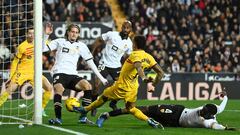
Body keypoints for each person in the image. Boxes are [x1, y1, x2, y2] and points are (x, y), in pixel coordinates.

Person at [74, 35, 165, 128]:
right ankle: (149, 120)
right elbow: (161, 73)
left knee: (103, 98)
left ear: (135, 44)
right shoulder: (149, 57)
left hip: (121, 86)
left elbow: (138, 66)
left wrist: (144, 78)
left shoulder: (135, 55)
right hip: (133, 89)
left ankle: (85, 109)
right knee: (131, 109)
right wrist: (153, 85)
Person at [43, 23, 108, 125]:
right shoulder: (60, 42)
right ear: (68, 32)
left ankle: (83, 118)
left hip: (72, 74)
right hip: (59, 72)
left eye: (76, 32)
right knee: (59, 89)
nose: (74, 34)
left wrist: (101, 78)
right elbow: (43, 49)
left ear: (78, 34)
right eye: (72, 32)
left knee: (87, 86)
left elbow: (91, 63)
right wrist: (46, 35)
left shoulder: (81, 46)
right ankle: (58, 119)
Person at [97, 91, 237, 130]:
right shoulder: (214, 109)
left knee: (145, 116)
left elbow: (214, 126)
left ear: (207, 116)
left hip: (173, 122)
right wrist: (225, 96)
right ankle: (106, 115)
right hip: (176, 111)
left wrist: (224, 129)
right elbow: (222, 106)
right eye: (203, 109)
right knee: (142, 109)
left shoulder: (206, 122)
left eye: (203, 112)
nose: (201, 111)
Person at [0, 27, 52, 117]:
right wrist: (11, 75)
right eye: (30, 33)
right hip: (22, 72)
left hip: (34, 72)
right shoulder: (22, 46)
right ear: (26, 34)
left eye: (33, 33)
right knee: (10, 90)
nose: (31, 35)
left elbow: (49, 43)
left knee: (49, 88)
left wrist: (48, 34)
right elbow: (15, 61)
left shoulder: (39, 43)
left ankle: (41, 109)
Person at [91, 20, 133, 116]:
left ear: (130, 29)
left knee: (122, 87)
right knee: (96, 85)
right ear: (121, 27)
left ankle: (113, 103)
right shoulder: (112, 34)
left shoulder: (129, 44)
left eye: (128, 28)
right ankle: (93, 106)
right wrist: (92, 52)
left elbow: (128, 57)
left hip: (116, 67)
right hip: (104, 64)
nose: (125, 29)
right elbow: (99, 40)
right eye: (124, 27)